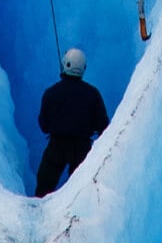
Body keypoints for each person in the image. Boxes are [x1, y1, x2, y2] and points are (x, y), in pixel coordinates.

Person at [34, 48, 109, 197]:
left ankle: (39, 211)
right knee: (81, 191)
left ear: (65, 64)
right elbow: (103, 126)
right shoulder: (93, 94)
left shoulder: (51, 93)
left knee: (44, 186)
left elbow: (43, 125)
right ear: (83, 68)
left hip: (57, 146)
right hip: (82, 148)